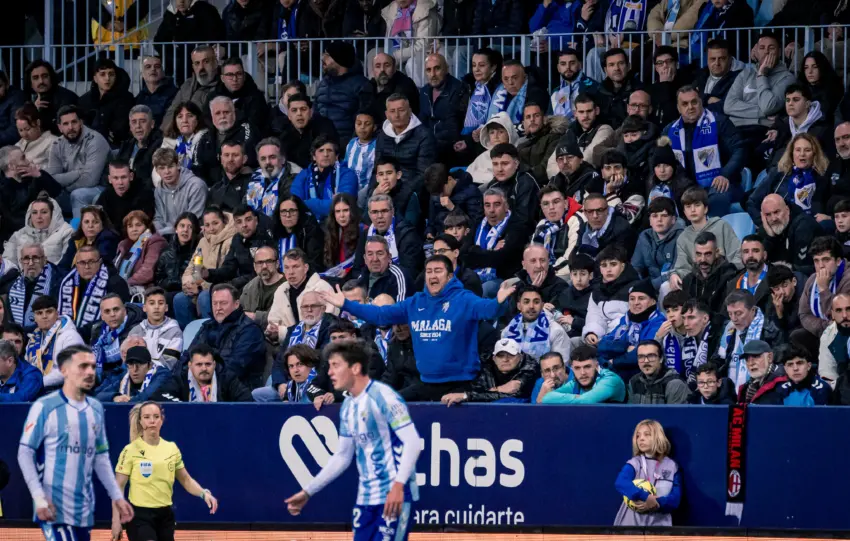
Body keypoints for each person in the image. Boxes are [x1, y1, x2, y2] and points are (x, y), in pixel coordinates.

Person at [321, 255, 517, 401]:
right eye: (429, 271)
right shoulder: (415, 303)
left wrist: (499, 301)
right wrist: (346, 304)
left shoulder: (463, 299)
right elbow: (380, 314)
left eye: (438, 271)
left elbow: (488, 310)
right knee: (393, 404)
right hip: (426, 383)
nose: (432, 275)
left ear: (449, 276)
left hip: (461, 383)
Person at [286, 340, 421, 541]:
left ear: (356, 368)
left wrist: (398, 486)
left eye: (336, 365)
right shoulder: (349, 405)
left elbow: (413, 442)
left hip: (394, 496)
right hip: (365, 498)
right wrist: (308, 491)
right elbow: (342, 456)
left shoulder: (384, 396)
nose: (329, 372)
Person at [17, 345, 134, 540]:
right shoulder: (45, 407)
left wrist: (117, 497)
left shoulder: (95, 408)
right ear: (64, 370)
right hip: (54, 507)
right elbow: (25, 453)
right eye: (82, 366)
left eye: (92, 366)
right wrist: (38, 496)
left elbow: (101, 458)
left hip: (83, 509)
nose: (90, 372)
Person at [113, 401, 218, 541]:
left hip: (165, 516)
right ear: (140, 421)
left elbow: (186, 480)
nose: (152, 421)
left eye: (156, 417)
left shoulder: (171, 448)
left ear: (161, 420)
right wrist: (115, 520)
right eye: (147, 417)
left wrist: (204, 494)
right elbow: (118, 486)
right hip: (139, 516)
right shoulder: (130, 450)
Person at [665, 85, 746, 217]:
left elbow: (740, 149)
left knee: (714, 199)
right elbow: (660, 159)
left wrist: (725, 174)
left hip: (720, 184)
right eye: (685, 104)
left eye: (694, 102)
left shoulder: (719, 122)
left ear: (701, 102)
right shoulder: (669, 131)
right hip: (685, 187)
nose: (690, 107)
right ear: (678, 108)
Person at [724, 32, 797, 163]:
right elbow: (728, 106)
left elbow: (768, 107)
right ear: (756, 51)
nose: (766, 52)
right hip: (735, 129)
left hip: (761, 132)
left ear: (779, 52)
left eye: (771, 48)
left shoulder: (787, 78)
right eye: (762, 48)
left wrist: (762, 75)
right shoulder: (745, 73)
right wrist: (760, 114)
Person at [179, 284, 266, 389]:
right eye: (215, 303)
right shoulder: (207, 327)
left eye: (223, 303)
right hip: (200, 385)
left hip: (236, 392)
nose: (218, 308)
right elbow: (187, 357)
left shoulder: (250, 331)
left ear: (236, 304)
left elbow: (234, 369)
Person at [669, 187, 742, 289]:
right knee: (667, 286)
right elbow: (683, 267)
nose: (693, 210)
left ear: (706, 209)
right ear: (684, 212)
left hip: (724, 278)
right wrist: (675, 274)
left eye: (697, 205)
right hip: (697, 283)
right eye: (688, 206)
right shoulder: (683, 237)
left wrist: (727, 273)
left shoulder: (721, 226)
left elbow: (737, 254)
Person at [175, 207, 236, 327]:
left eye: (215, 223)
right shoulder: (203, 242)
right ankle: (190, 337)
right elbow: (191, 268)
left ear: (224, 222)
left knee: (204, 297)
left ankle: (211, 335)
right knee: (179, 298)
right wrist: (189, 284)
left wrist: (200, 287)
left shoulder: (232, 240)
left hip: (220, 287)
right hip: (200, 287)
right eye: (207, 225)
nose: (211, 228)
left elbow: (226, 272)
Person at [613, 419, 681, 526]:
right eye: (638, 436)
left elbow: (675, 499)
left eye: (647, 434)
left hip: (659, 526)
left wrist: (657, 503)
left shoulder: (672, 466)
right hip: (630, 525)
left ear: (658, 437)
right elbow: (621, 482)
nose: (641, 439)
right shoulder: (635, 463)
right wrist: (646, 497)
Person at [751, 133, 831, 224]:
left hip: (810, 226)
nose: (802, 154)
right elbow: (752, 201)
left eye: (807, 150)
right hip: (780, 226)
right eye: (798, 150)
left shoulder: (822, 177)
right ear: (791, 153)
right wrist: (765, 225)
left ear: (814, 154)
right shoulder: (779, 173)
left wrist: (829, 217)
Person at [713, 291, 784, 392]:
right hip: (728, 391)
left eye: (738, 313)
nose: (733, 319)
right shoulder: (728, 328)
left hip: (760, 389)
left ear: (753, 310)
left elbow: (777, 362)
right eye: (730, 313)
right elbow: (718, 359)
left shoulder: (770, 329)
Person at [46, 105, 111, 217]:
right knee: (44, 197)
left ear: (81, 122)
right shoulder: (57, 143)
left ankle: (80, 232)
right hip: (70, 189)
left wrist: (65, 188)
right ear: (60, 127)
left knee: (78, 194)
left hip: (101, 188)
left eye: (74, 122)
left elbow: (90, 180)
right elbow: (52, 178)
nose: (70, 127)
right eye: (66, 124)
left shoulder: (95, 140)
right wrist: (78, 173)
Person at [58, 245, 131, 341]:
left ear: (100, 262)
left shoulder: (115, 283)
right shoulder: (68, 282)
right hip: (71, 336)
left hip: (103, 337)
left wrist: (79, 333)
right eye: (82, 263)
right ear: (76, 264)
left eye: (91, 262)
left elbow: (119, 316)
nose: (87, 266)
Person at [599, 280, 667, 381]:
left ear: (653, 301)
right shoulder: (626, 320)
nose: (636, 303)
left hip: (638, 377)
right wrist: (625, 347)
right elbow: (602, 346)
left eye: (641, 298)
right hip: (614, 371)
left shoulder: (658, 322)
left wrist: (614, 361)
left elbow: (639, 355)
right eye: (632, 299)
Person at [463, 188, 526, 297]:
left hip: (504, 278)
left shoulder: (516, 226)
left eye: (497, 205)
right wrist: (491, 251)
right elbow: (464, 253)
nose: (491, 210)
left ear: (506, 207)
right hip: (474, 275)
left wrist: (475, 252)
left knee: (484, 290)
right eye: (487, 205)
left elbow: (501, 259)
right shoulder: (478, 224)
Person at [267, 248, 337, 342]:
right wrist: (273, 330)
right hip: (286, 344)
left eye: (295, 267)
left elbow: (325, 326)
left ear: (306, 268)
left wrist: (282, 332)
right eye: (287, 267)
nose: (291, 272)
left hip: (318, 343)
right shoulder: (281, 291)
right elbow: (273, 321)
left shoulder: (323, 288)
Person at [441, 338, 539, 404]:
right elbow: (476, 390)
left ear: (520, 356)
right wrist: (498, 389)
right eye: (500, 356)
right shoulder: (484, 366)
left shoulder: (530, 369)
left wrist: (467, 396)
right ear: (494, 358)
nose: (505, 359)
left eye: (511, 355)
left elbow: (513, 396)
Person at [314, 41, 375, 143]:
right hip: (321, 144)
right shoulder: (322, 84)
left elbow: (363, 118)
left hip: (347, 144)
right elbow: (315, 113)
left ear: (339, 60)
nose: (322, 58)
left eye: (327, 55)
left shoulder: (361, 85)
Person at [0, 145, 63, 244]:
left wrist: (39, 175)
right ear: (11, 166)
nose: (28, 161)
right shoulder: (3, 189)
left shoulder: (33, 177)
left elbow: (57, 191)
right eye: (23, 158)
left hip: (46, 231)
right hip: (19, 237)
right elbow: (10, 220)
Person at [374, 93, 437, 191]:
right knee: (363, 196)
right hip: (385, 184)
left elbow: (423, 175)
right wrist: (373, 191)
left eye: (401, 110)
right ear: (387, 114)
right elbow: (376, 169)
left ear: (410, 111)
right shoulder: (382, 135)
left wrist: (400, 194)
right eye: (392, 111)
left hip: (412, 189)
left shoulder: (424, 136)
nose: (397, 115)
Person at [764, 84, 834, 171]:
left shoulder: (823, 130)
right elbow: (774, 157)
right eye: (787, 100)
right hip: (778, 174)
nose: (790, 103)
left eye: (796, 100)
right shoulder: (783, 127)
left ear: (807, 104)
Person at [290, 135, 359, 221]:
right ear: (314, 156)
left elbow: (342, 205)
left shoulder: (347, 175)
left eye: (329, 151)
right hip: (309, 224)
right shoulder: (303, 175)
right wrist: (331, 203)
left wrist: (307, 204)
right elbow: (293, 203)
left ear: (336, 156)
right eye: (321, 151)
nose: (325, 154)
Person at [154, 343, 253, 403]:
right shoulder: (180, 379)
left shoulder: (226, 378)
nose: (204, 368)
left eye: (208, 364)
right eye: (199, 364)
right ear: (190, 365)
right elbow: (158, 397)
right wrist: (185, 407)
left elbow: (247, 401)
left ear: (214, 364)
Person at [194, 96, 260, 184]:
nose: (222, 116)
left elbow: (251, 161)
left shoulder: (247, 131)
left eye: (226, 112)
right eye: (218, 113)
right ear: (212, 117)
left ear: (234, 113)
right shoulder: (205, 137)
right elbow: (197, 167)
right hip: (211, 188)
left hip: (241, 186)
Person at [583, 244, 640, 346]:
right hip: (603, 338)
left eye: (613, 264)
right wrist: (592, 333)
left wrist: (609, 336)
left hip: (627, 338)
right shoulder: (596, 290)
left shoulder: (636, 288)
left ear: (622, 266)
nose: (608, 270)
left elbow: (633, 320)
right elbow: (594, 316)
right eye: (604, 265)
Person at [25, 295, 86, 389]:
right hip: (38, 390)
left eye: (49, 311)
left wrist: (39, 383)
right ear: (34, 318)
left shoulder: (70, 336)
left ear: (57, 314)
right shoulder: (33, 339)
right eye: (39, 313)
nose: (44, 316)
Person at [354, 194, 422, 278]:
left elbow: (410, 273)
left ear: (392, 212)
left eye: (384, 211)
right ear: (369, 214)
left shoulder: (407, 235)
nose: (380, 216)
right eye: (375, 212)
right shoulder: (365, 234)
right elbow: (357, 269)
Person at [419, 54, 469, 165]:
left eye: (437, 68)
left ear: (446, 68)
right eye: (428, 70)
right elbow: (422, 122)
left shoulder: (459, 89)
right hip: (429, 144)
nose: (433, 74)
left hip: (451, 146)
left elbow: (454, 127)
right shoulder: (424, 91)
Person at [89, 293, 145, 390]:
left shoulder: (136, 329)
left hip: (124, 380)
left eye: (116, 309)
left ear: (124, 310)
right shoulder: (97, 330)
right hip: (102, 379)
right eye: (107, 311)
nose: (112, 314)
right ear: (102, 316)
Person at [502, 284, 571, 362]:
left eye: (536, 302)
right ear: (519, 306)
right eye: (526, 302)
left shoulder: (556, 331)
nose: (531, 306)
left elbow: (562, 367)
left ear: (542, 305)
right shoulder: (507, 332)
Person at [484, 143, 541, 236]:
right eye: (495, 164)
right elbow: (484, 218)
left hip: (526, 235)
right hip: (498, 233)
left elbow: (523, 220)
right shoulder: (492, 185)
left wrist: (500, 238)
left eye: (505, 164)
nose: (499, 169)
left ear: (516, 163)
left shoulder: (526, 181)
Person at [161, 45, 223, 130]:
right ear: (193, 67)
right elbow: (171, 112)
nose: (201, 67)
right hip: (179, 135)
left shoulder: (223, 85)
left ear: (215, 63)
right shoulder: (187, 84)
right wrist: (166, 134)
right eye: (197, 63)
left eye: (206, 62)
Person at [537, 346, 626, 404]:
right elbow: (546, 398)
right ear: (572, 368)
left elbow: (586, 401)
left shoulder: (610, 379)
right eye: (577, 368)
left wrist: (581, 398)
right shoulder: (575, 382)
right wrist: (577, 397)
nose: (582, 373)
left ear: (596, 366)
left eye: (587, 367)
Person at [799, 236, 850, 337]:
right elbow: (803, 314)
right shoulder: (812, 279)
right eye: (816, 261)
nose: (821, 265)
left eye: (826, 260)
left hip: (845, 334)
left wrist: (823, 289)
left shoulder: (848, 279)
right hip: (823, 330)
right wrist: (825, 327)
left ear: (838, 261)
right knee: (797, 336)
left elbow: (842, 317)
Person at [78, 58, 135, 149]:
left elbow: (121, 128)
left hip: (116, 147)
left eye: (111, 74)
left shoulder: (126, 98)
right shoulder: (84, 100)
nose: (107, 78)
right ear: (95, 79)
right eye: (102, 74)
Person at [3, 244, 60, 332]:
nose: (31, 263)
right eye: (26, 258)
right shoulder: (12, 285)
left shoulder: (57, 281)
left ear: (44, 260)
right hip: (18, 336)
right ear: (21, 262)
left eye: (35, 258)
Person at [3, 197, 73, 268]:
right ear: (30, 215)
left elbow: (66, 264)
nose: (39, 216)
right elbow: (8, 264)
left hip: (55, 277)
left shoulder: (66, 232)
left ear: (53, 214)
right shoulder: (18, 235)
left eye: (44, 212)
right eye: (34, 212)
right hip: (23, 277)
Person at [681, 232, 740, 315]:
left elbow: (725, 314)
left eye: (707, 254)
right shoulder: (688, 281)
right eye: (699, 254)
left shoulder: (729, 277)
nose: (703, 260)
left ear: (717, 253)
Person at [152, 148, 208, 236]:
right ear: (156, 170)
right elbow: (159, 218)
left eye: (170, 166)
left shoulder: (196, 186)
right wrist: (154, 233)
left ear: (178, 165)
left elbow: (191, 221)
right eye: (162, 168)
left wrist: (161, 233)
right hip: (166, 236)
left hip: (191, 236)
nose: (167, 172)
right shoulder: (158, 190)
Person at [631, 198, 683, 292]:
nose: (659, 220)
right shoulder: (644, 236)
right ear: (650, 221)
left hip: (673, 287)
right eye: (654, 216)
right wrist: (637, 285)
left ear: (673, 219)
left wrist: (648, 286)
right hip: (649, 288)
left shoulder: (682, 236)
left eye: (664, 215)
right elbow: (636, 267)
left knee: (665, 287)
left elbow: (677, 271)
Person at [278, 93, 340, 170]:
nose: (299, 113)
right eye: (294, 110)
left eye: (303, 109)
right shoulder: (284, 136)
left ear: (311, 112)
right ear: (289, 115)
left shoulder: (324, 128)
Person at [759, 194, 818, 275]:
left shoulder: (803, 227)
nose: (773, 218)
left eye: (776, 212)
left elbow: (801, 270)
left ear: (787, 210)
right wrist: (771, 238)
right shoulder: (766, 229)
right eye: (768, 215)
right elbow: (759, 264)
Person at [128, 286, 183, 371]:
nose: (156, 307)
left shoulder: (174, 332)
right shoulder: (135, 332)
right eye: (152, 303)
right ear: (144, 308)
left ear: (166, 308)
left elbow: (169, 364)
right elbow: (127, 361)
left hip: (163, 377)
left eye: (160, 303)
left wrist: (143, 370)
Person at [246, 137, 303, 218]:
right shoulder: (256, 176)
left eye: (272, 157)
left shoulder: (294, 178)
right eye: (263, 158)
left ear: (283, 159)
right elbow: (244, 206)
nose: (267, 162)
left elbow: (283, 215)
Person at [210, 57, 268, 135]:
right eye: (230, 75)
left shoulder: (256, 97)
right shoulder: (213, 97)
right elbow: (207, 121)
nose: (235, 79)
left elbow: (256, 125)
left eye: (239, 74)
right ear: (222, 78)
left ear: (244, 76)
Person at [154, 213, 200, 310]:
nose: (185, 230)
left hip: (190, 292)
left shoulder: (199, 251)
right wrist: (172, 283)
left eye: (190, 227)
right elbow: (158, 279)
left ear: (195, 231)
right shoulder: (166, 252)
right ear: (176, 229)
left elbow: (198, 276)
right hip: (168, 291)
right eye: (182, 226)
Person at [94, 346, 168, 404]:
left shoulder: (162, 374)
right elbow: (97, 396)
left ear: (150, 365)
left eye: (140, 364)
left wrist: (126, 401)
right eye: (131, 364)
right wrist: (115, 397)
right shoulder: (124, 377)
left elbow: (145, 398)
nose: (135, 369)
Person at [58, 205, 121, 275]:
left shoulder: (108, 239)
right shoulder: (76, 241)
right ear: (81, 225)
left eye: (95, 222)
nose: (90, 226)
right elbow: (62, 266)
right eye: (86, 222)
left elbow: (96, 266)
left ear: (103, 224)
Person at [23, 59, 80, 136]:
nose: (41, 81)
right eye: (36, 78)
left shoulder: (67, 98)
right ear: (30, 83)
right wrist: (34, 111)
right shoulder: (34, 100)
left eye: (45, 76)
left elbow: (66, 130)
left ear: (51, 78)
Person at [114, 105, 164, 191]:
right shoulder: (126, 145)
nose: (138, 126)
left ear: (152, 124)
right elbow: (115, 170)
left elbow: (151, 181)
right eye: (134, 122)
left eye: (143, 121)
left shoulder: (159, 146)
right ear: (130, 126)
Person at [96, 160, 156, 230]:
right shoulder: (106, 195)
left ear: (131, 176)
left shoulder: (145, 194)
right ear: (109, 179)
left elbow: (145, 225)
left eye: (124, 177)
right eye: (115, 178)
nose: (120, 182)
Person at [517, 103, 567, 185]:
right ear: (524, 123)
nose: (532, 119)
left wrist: (522, 176)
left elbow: (545, 168)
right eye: (528, 117)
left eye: (536, 116)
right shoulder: (521, 145)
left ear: (544, 119)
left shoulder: (554, 138)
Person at [362, 157, 421, 228]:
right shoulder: (374, 193)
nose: (385, 178)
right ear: (377, 178)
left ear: (398, 175)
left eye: (389, 173)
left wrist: (387, 202)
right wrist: (374, 197)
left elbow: (409, 226)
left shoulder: (410, 195)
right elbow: (365, 221)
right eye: (381, 174)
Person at [158, 101, 208, 183]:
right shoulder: (170, 142)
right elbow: (159, 170)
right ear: (175, 121)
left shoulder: (205, 141)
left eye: (190, 116)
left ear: (198, 119)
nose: (184, 120)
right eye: (180, 117)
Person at [239, 246, 286, 333]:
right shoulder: (249, 287)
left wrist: (254, 316)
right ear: (254, 266)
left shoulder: (287, 287)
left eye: (268, 261)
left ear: (277, 264)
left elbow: (281, 317)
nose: (264, 266)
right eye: (260, 262)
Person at [574, 193, 637, 257]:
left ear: (607, 210)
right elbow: (574, 255)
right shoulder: (584, 228)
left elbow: (615, 261)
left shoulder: (622, 229)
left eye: (600, 210)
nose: (595, 216)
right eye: (590, 211)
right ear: (585, 213)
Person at [626, 340, 689, 404]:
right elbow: (631, 412)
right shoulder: (634, 381)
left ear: (661, 358)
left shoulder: (674, 384)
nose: (646, 361)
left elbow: (674, 413)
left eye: (651, 356)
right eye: (641, 357)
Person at [273, 195, 326, 272]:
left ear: (299, 212)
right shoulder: (274, 233)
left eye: (292, 211)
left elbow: (315, 264)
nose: (288, 215)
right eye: (283, 211)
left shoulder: (310, 232)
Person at [466, 112, 519, 185]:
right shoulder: (483, 157)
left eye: (500, 132)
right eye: (492, 132)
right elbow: (467, 175)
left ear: (509, 133)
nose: (496, 136)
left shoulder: (518, 154)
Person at [692, 39, 744, 114]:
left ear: (730, 59)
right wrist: (707, 99)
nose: (717, 63)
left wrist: (702, 99)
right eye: (712, 59)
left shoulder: (740, 77)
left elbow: (728, 107)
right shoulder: (701, 74)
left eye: (722, 59)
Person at [550, 49, 601, 123]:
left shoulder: (593, 86)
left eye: (572, 63)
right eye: (563, 64)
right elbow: (549, 117)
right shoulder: (556, 92)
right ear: (558, 68)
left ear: (580, 65)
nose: (568, 67)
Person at [547, 134, 601, 204]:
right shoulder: (554, 181)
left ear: (581, 159)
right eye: (560, 159)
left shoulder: (591, 178)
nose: (565, 162)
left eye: (570, 157)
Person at [597, 49, 644, 129]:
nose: (616, 68)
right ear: (605, 70)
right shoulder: (598, 92)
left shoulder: (639, 91)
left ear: (628, 66)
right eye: (611, 65)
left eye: (621, 63)